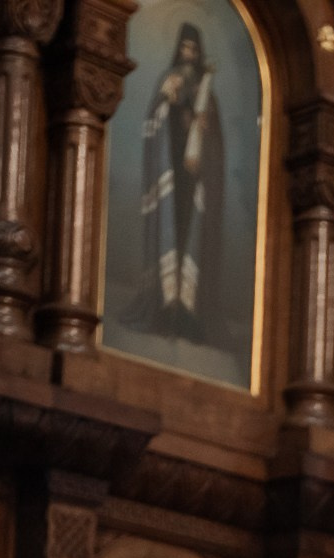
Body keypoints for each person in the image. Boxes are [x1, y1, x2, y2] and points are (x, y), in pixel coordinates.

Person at [136, 23, 225, 345]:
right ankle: (164, 306)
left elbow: (214, 142)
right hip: (170, 171)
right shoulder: (170, 79)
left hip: (193, 178)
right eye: (184, 48)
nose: (188, 54)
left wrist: (203, 127)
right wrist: (169, 104)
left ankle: (186, 313)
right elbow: (155, 118)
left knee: (189, 236)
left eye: (193, 49)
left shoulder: (206, 91)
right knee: (169, 232)